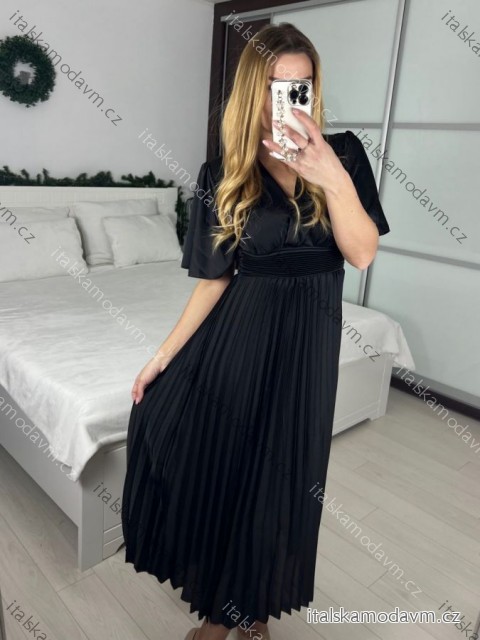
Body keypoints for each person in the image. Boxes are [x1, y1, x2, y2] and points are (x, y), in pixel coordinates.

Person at [121, 22, 390, 640]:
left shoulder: (344, 154)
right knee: (226, 471)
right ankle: (220, 617)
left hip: (309, 345)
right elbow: (215, 279)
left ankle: (255, 610)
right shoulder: (224, 171)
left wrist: (331, 174)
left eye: (302, 84)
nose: (290, 97)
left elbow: (362, 253)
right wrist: (161, 356)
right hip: (239, 339)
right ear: (253, 89)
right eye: (276, 84)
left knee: (287, 481)